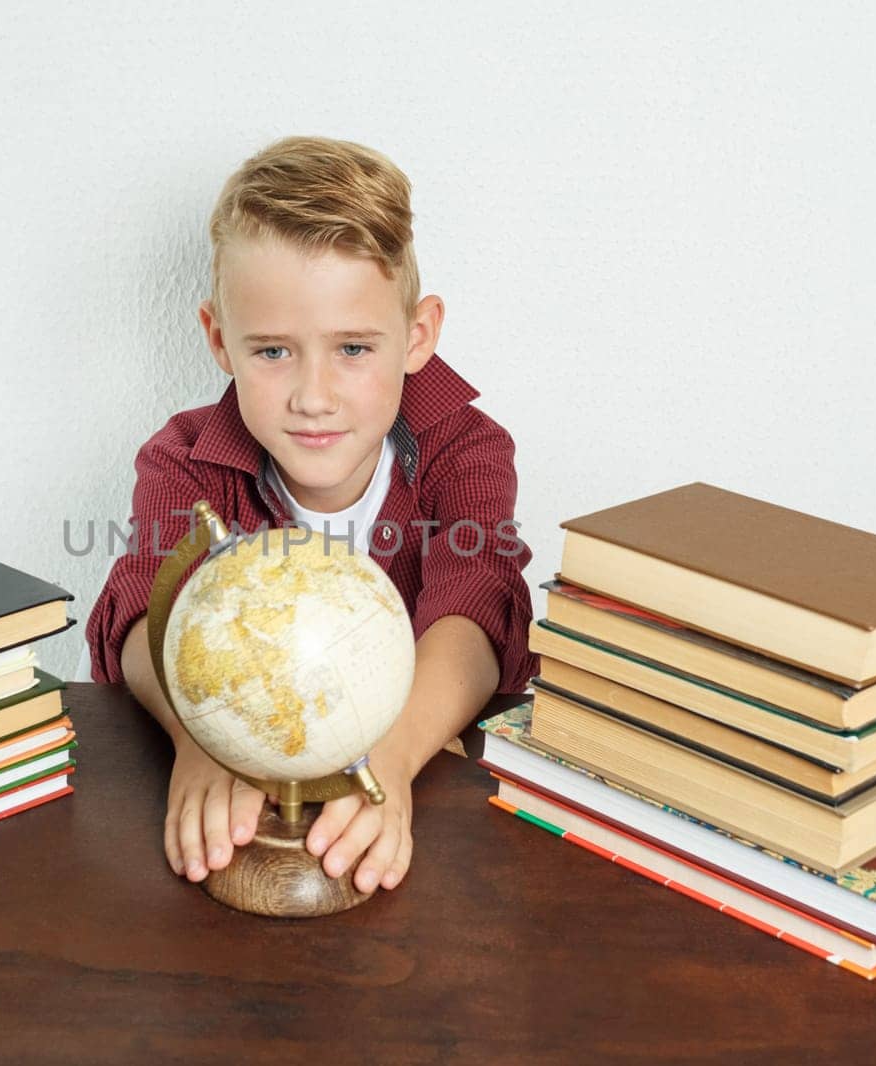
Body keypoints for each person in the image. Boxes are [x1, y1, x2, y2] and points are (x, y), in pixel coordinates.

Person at [85, 135, 538, 896]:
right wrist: (201, 740)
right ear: (219, 340)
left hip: (421, 795)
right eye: (273, 353)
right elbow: (141, 608)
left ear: (418, 335)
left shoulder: (467, 450)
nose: (314, 396)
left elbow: (477, 604)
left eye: (354, 347)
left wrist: (387, 763)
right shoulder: (184, 461)